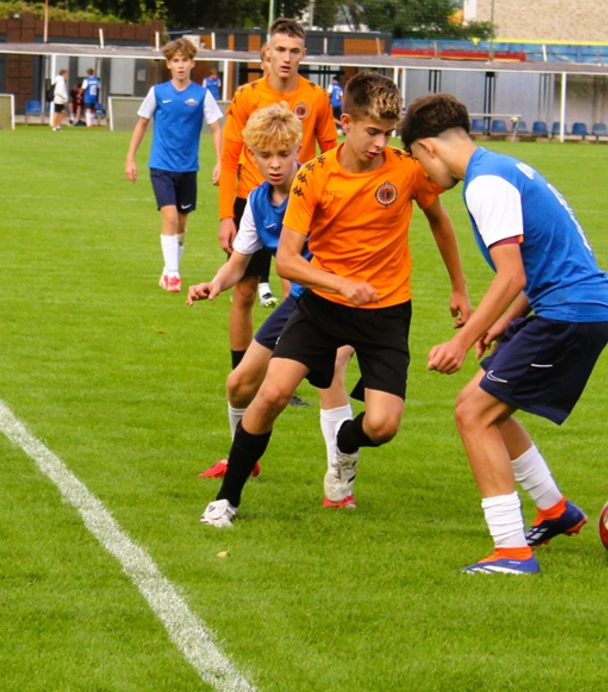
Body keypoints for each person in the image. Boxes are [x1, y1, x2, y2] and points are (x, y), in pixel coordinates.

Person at [200, 72, 472, 528]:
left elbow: (439, 219)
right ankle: (227, 499)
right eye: (372, 132)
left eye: (388, 133)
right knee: (272, 393)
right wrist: (341, 285)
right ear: (346, 123)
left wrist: (459, 287)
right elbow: (288, 261)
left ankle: (345, 443)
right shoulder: (314, 175)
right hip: (323, 309)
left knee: (382, 426)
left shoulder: (405, 169)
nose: (380, 143)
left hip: (386, 313)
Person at [396, 93, 608, 574]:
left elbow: (512, 275)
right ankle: (555, 511)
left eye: (416, 159)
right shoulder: (499, 168)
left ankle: (512, 551)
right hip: (569, 308)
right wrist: (499, 324)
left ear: (428, 148)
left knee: (473, 413)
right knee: (484, 406)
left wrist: (460, 341)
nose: (423, 173)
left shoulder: (485, 184)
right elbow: (538, 264)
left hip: (569, 315)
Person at [187, 105, 355, 487]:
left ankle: (340, 483)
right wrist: (214, 284)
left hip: (341, 298)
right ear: (251, 155)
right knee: (239, 383)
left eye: (283, 153)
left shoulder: (320, 186)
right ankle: (243, 461)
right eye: (265, 155)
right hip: (300, 302)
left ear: (298, 149)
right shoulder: (258, 200)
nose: (275, 164)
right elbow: (239, 262)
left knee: (330, 375)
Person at [217, 18, 337, 370]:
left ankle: (283, 375)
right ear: (267, 51)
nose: (286, 58)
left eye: (293, 51)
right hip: (251, 204)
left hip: (300, 203)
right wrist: (226, 216)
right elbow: (229, 159)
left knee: (293, 292)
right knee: (243, 291)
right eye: (280, 49)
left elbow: (332, 156)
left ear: (304, 54)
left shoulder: (316, 97)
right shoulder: (247, 96)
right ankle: (242, 373)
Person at [125, 37, 223, 293]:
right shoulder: (157, 92)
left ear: (192, 63)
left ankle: (168, 271)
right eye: (176, 61)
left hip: (188, 169)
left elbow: (216, 129)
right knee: (169, 217)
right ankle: (173, 274)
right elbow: (141, 124)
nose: (180, 65)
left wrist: (220, 162)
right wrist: (130, 159)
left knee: (181, 223)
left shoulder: (202, 95)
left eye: (185, 60)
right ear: (168, 64)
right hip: (161, 167)